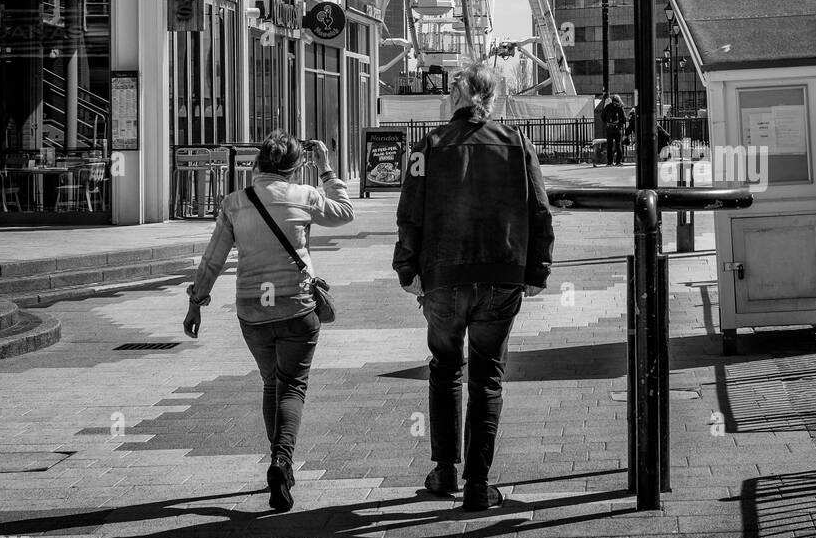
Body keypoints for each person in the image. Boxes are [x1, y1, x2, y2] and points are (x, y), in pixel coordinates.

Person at [393, 61, 555, 511]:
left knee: (445, 369)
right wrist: (537, 270)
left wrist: (407, 269)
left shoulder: (427, 147)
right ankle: (479, 484)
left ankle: (445, 470)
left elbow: (410, 214)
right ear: (494, 99)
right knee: (487, 377)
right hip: (501, 275)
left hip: (443, 277)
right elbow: (540, 211)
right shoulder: (517, 144)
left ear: (456, 98)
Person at [183, 132, 352, 511]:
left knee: (271, 383)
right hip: (296, 308)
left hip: (252, 311)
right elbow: (345, 212)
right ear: (295, 168)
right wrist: (326, 168)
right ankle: (282, 461)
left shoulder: (234, 203)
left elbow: (212, 260)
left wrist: (196, 302)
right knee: (292, 386)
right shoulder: (304, 196)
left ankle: (279, 461)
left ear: (257, 164)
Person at [602, 91, 627, 166]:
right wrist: (619, 124)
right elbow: (624, 119)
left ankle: (609, 162)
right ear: (618, 101)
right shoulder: (620, 108)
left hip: (609, 128)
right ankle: (618, 162)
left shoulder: (607, 107)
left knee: (609, 145)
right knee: (618, 145)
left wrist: (606, 122)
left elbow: (602, 116)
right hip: (617, 129)